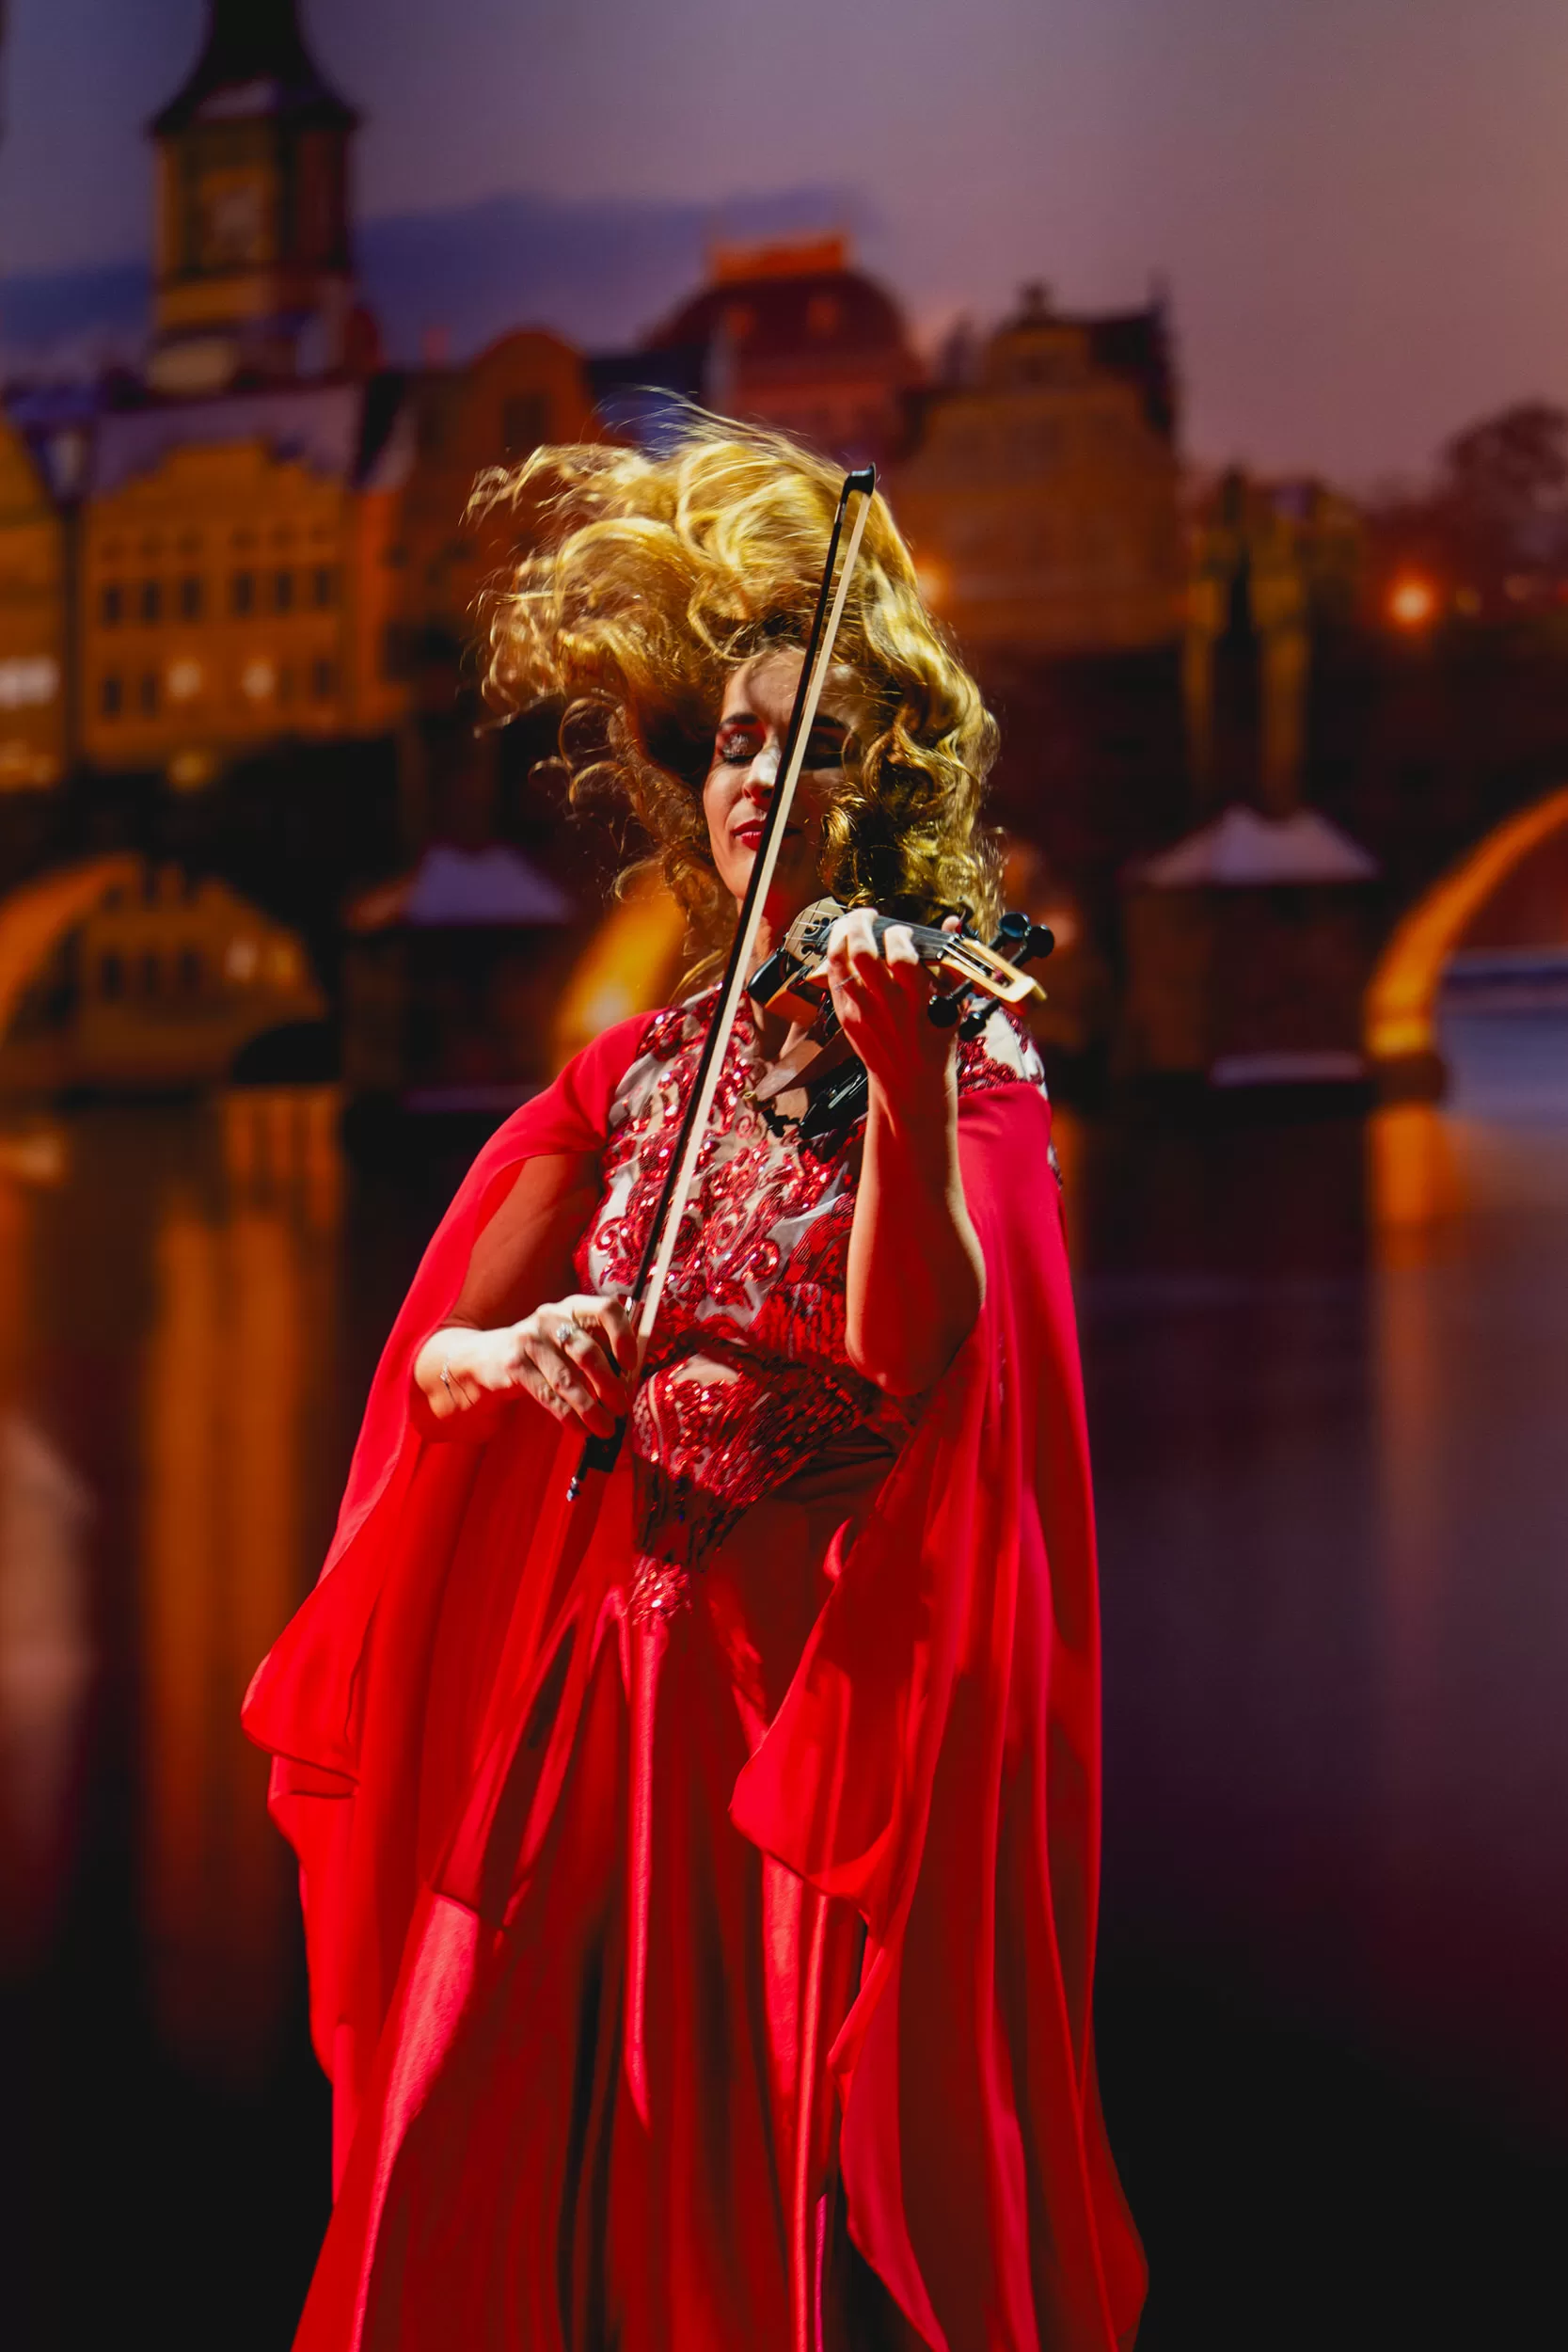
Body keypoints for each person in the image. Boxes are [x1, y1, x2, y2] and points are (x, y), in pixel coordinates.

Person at [244, 421, 1146, 2352]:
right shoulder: (643, 1060)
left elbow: (932, 1350)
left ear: (877, 768)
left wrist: (900, 1082)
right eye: (730, 740)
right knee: (455, 2110)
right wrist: (521, 1352)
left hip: (772, 1691)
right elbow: (453, 1347)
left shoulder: (954, 1053)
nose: (753, 774)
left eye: (797, 739)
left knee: (711, 2166)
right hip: (594, 1671)